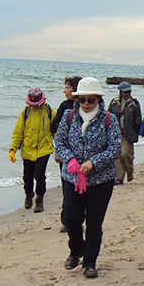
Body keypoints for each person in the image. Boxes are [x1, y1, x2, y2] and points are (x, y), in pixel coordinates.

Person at [53, 77, 121, 279]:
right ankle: (76, 250)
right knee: (71, 219)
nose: (86, 103)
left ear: (98, 99)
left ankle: (90, 263)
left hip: (101, 180)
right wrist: (70, 160)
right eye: (82, 99)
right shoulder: (68, 116)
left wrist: (93, 162)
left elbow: (115, 148)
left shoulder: (109, 119)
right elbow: (60, 143)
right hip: (72, 178)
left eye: (91, 100)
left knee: (94, 223)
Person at [10, 88, 55, 213]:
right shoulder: (25, 113)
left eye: (36, 105)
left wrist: (61, 148)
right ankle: (28, 194)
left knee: (39, 174)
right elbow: (18, 132)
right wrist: (13, 149)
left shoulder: (49, 111)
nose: (34, 107)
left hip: (44, 149)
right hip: (28, 150)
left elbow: (56, 130)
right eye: (32, 105)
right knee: (27, 176)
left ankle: (39, 199)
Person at [51, 76, 81, 232]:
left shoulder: (87, 106)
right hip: (67, 154)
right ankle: (66, 220)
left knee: (82, 188)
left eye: (68, 88)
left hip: (84, 156)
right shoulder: (65, 106)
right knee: (67, 187)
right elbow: (53, 125)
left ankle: (80, 219)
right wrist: (68, 128)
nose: (65, 91)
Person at [109, 81, 143, 185]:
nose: (127, 94)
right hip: (116, 133)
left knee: (126, 154)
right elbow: (109, 117)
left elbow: (138, 120)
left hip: (129, 133)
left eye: (129, 92)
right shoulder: (113, 103)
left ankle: (129, 171)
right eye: (125, 92)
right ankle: (119, 177)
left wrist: (137, 132)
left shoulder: (135, 104)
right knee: (117, 155)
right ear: (120, 92)